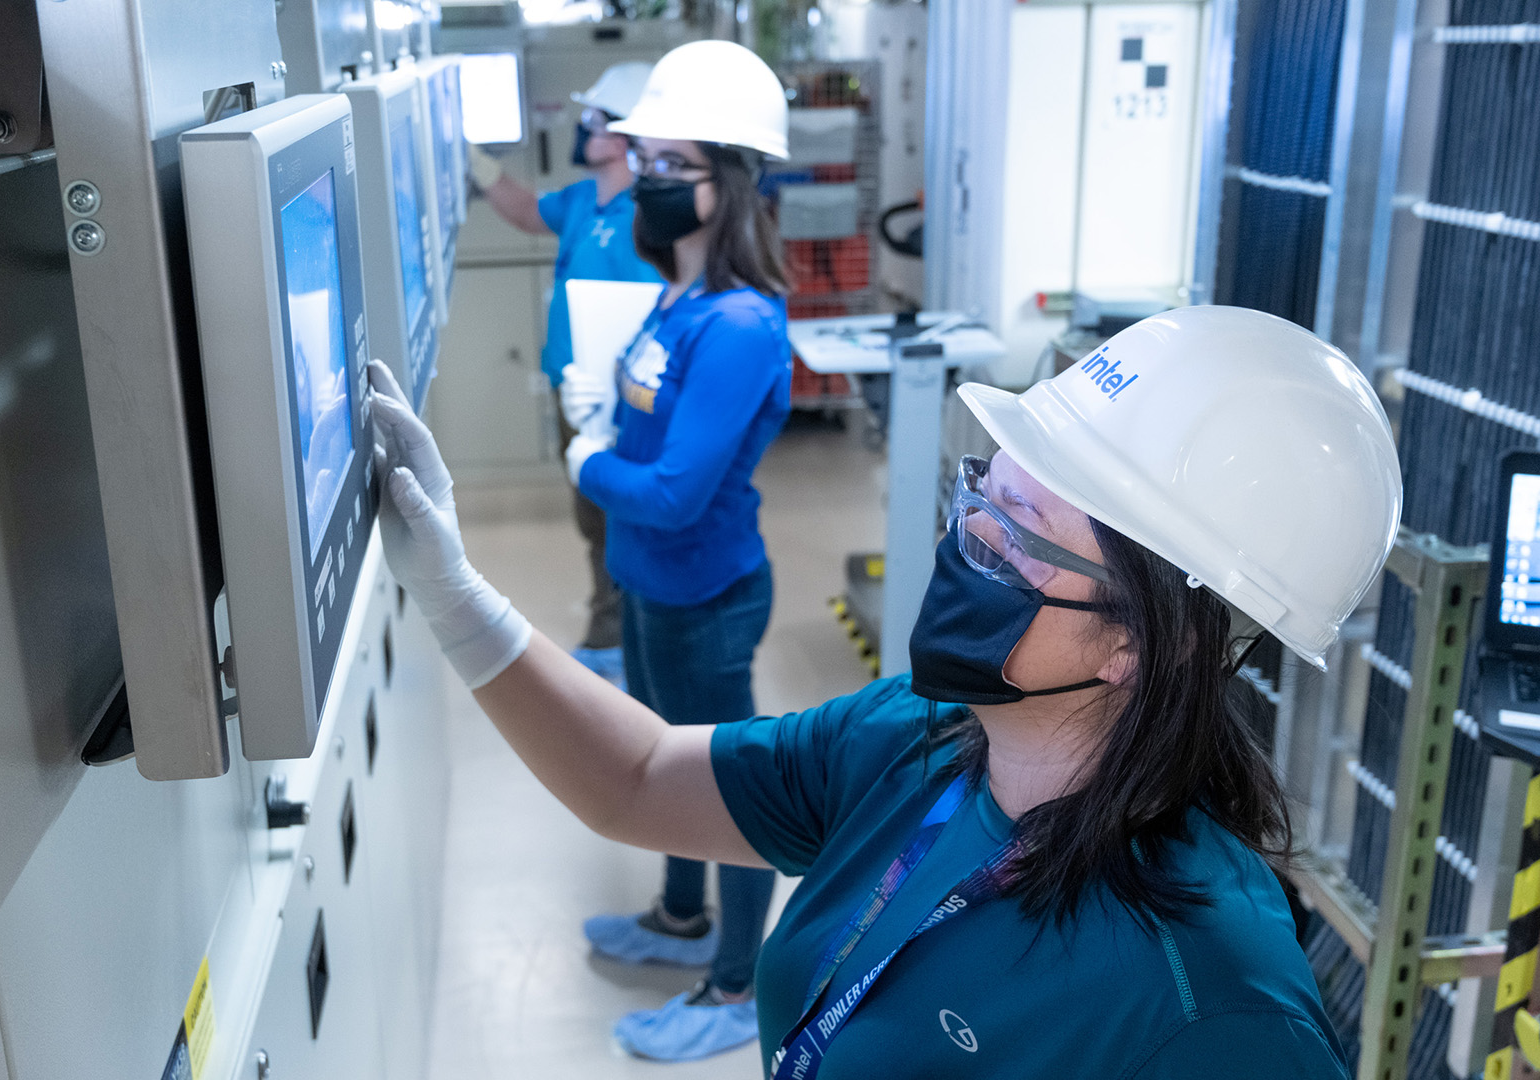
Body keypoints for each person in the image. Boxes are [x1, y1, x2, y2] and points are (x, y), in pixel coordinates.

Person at [370, 299, 1400, 1076]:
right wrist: (455, 595)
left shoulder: (1214, 1006)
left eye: (1016, 539)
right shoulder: (920, 738)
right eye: (980, 501)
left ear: (1141, 641)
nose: (967, 547)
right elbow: (636, 779)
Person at [546, 39, 798, 1062]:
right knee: (661, 769)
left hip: (704, 593)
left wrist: (585, 457)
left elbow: (672, 490)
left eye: (667, 167)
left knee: (725, 793)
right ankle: (679, 918)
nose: (641, 178)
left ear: (727, 182)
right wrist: (604, 416)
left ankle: (739, 984)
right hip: (650, 581)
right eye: (641, 159)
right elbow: (651, 428)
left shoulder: (738, 323)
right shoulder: (677, 296)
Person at [469, 60, 663, 686]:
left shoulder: (654, 209)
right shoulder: (583, 200)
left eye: (593, 119)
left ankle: (622, 640)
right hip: (572, 385)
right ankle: (613, 628)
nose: (581, 127)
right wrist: (476, 165)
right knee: (592, 514)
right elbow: (528, 213)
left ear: (625, 135)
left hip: (627, 394)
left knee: (623, 513)